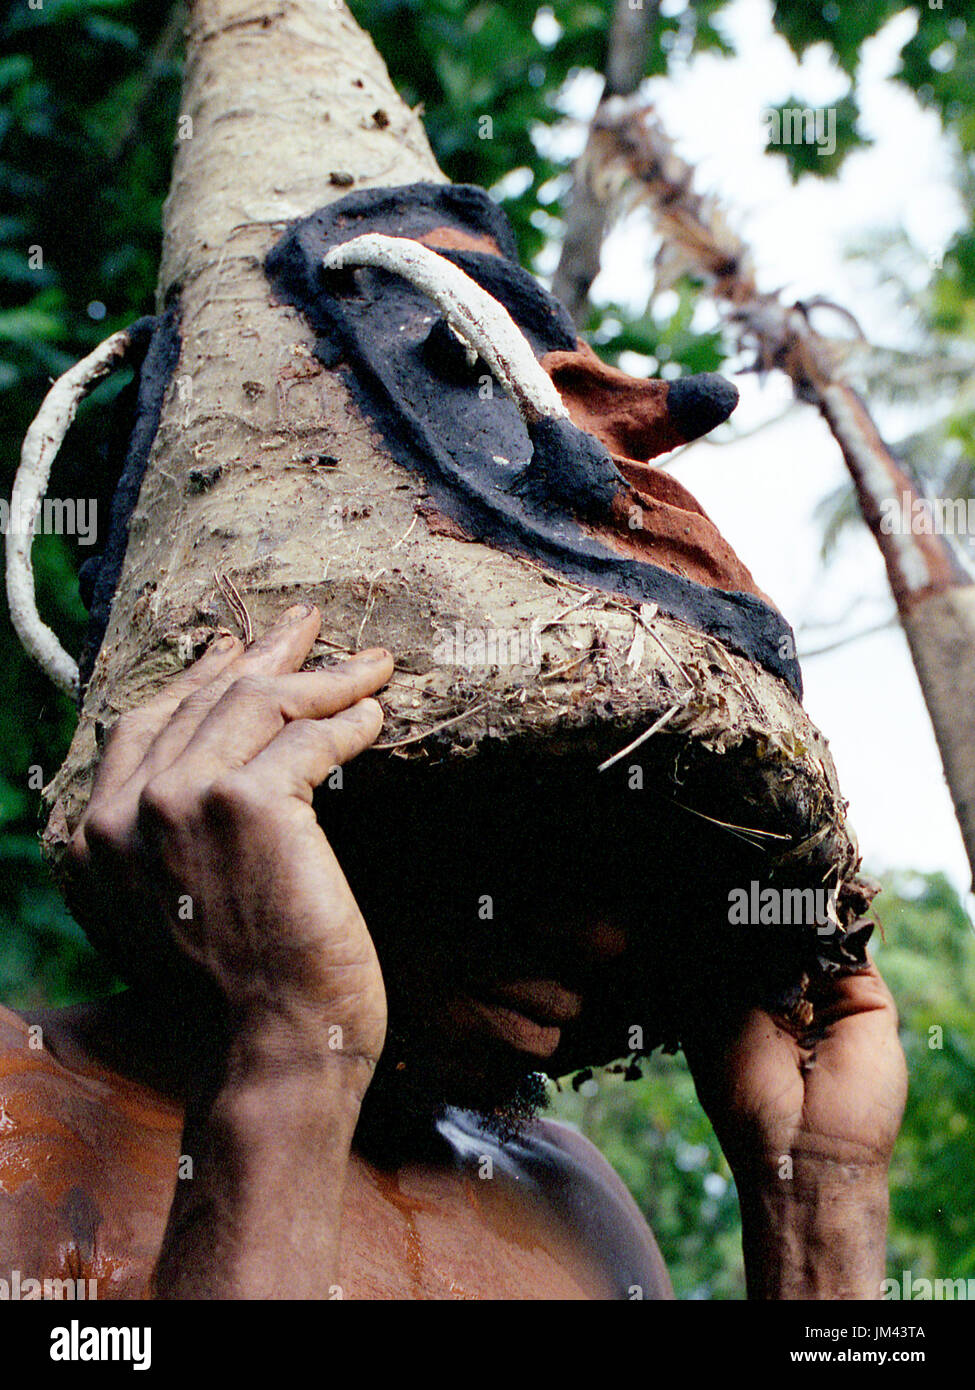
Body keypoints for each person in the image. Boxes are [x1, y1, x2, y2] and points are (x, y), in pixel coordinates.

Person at [0, 604, 906, 1299]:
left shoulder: (567, 1193)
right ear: (297, 788)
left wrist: (816, 1209)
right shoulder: (18, 1103)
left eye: (642, 878)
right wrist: (288, 1048)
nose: (603, 935)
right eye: (538, 841)